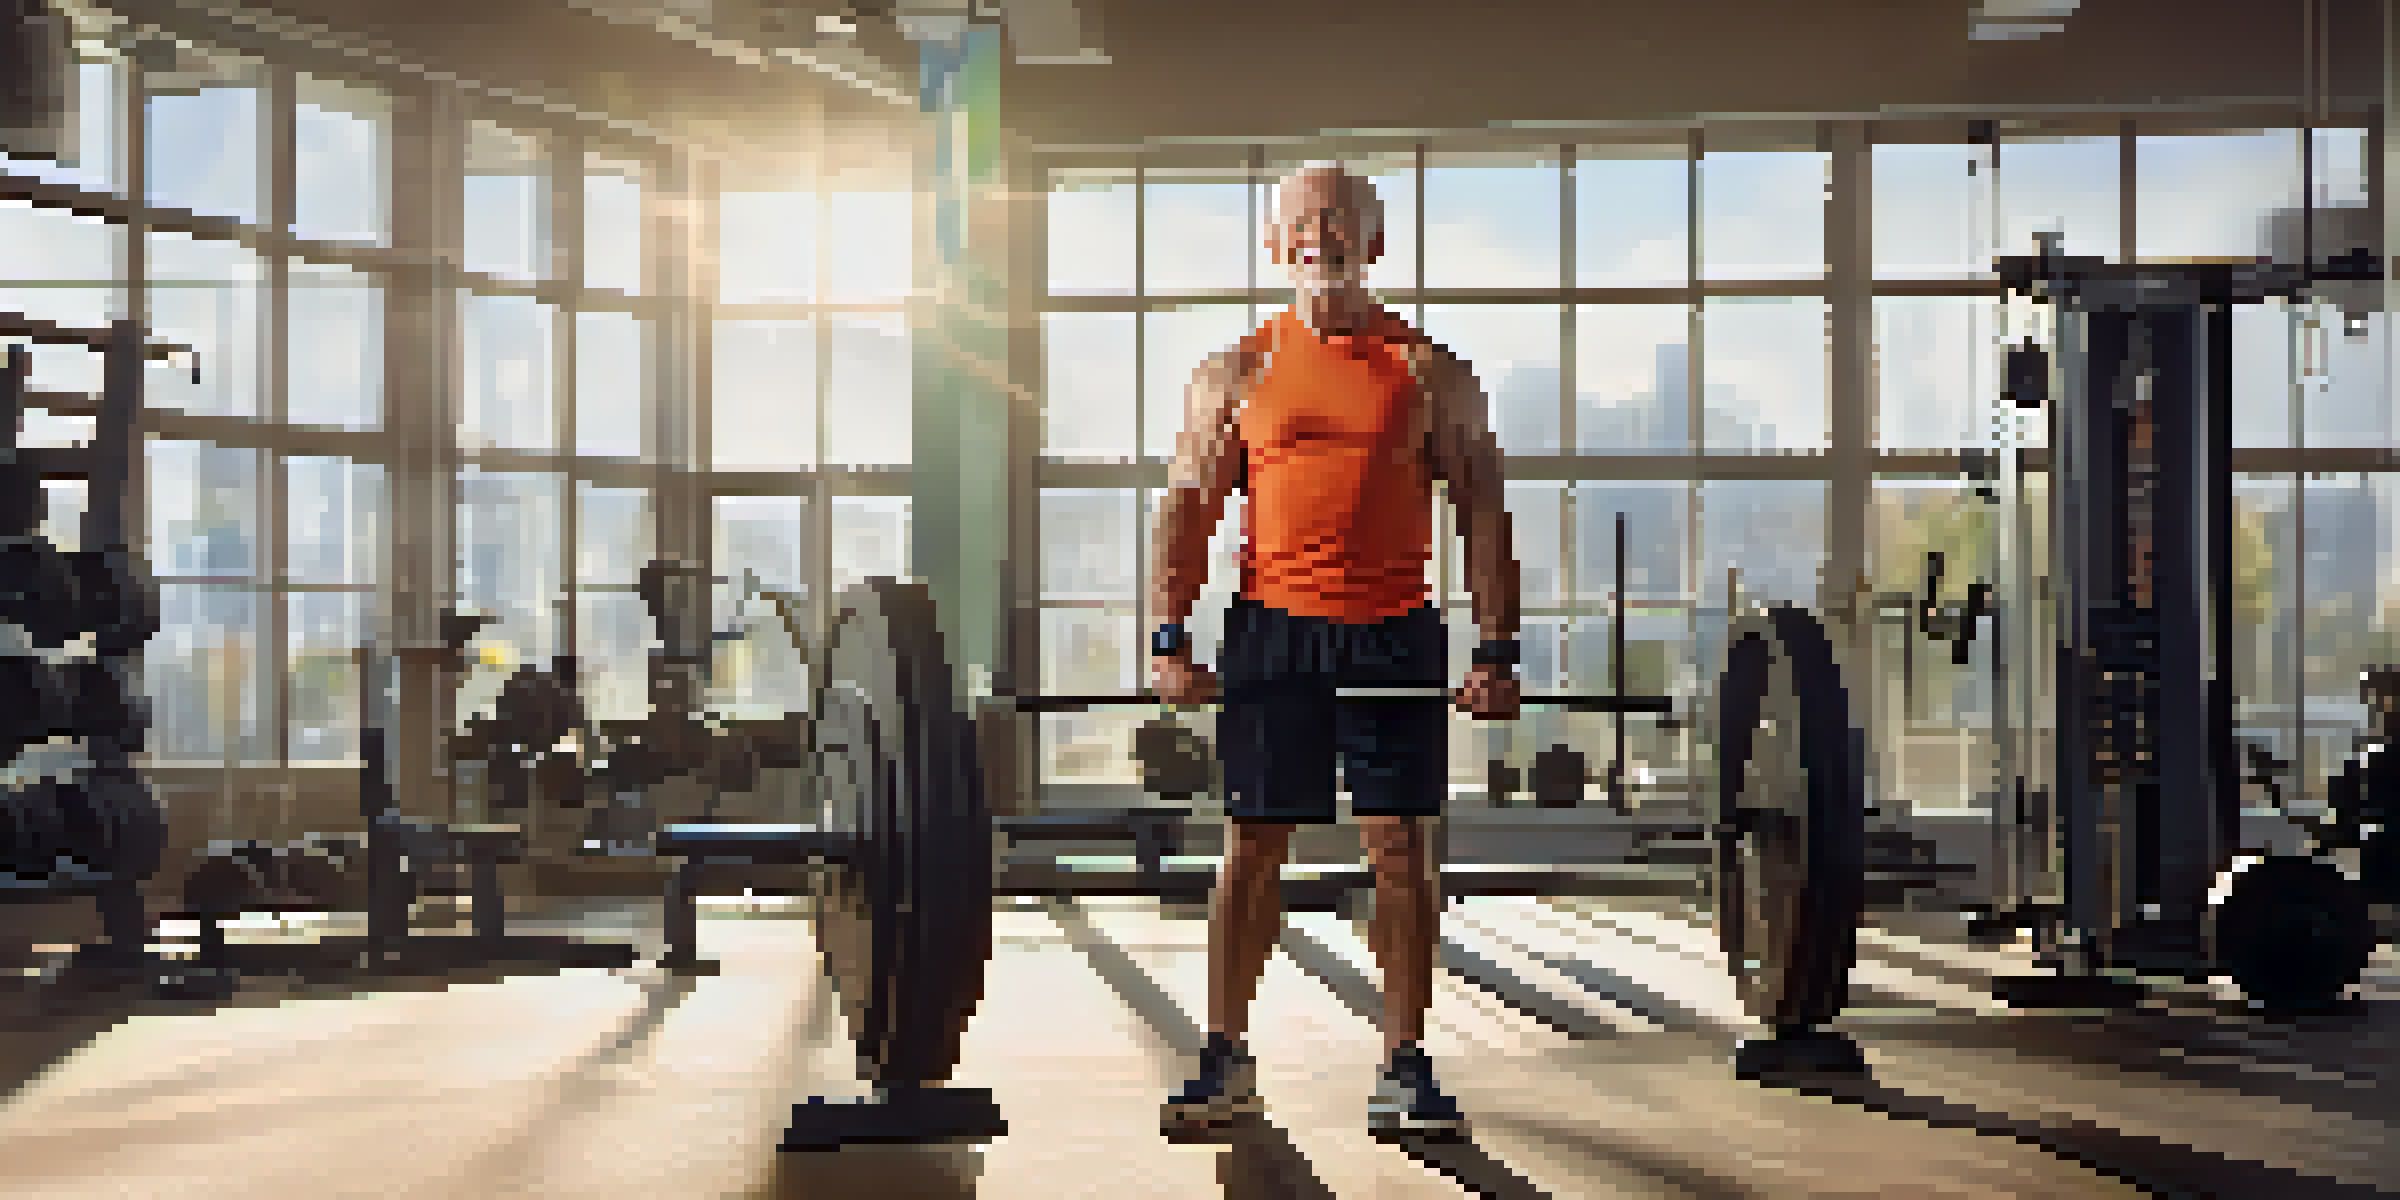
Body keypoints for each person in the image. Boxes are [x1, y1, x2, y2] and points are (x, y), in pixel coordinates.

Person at [1149, 162, 1521, 1138]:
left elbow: (1481, 509)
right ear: (1277, 245)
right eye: (1305, 221)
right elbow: (1188, 507)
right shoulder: (1235, 371)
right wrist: (1169, 634)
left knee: (1399, 850)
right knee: (1253, 845)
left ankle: (1404, 1061)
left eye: (1343, 218)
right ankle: (1224, 1055)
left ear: (1376, 240)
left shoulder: (1432, 372)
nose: (1324, 233)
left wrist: (1497, 647)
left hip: (1396, 631)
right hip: (1275, 630)